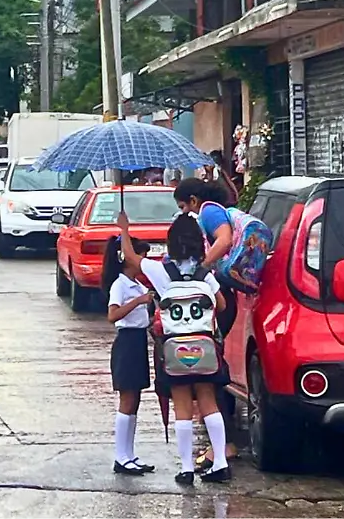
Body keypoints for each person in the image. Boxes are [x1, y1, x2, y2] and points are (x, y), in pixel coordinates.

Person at [118, 212, 231, 484]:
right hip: (204, 350)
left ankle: (186, 468)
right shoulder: (205, 274)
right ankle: (220, 463)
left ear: (171, 244)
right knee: (208, 402)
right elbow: (223, 305)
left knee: (182, 405)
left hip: (174, 352)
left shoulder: (161, 271)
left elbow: (132, 258)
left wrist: (124, 229)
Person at [172, 177, 240, 470]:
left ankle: (223, 447)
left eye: (183, 205)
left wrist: (201, 271)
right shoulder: (211, 210)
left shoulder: (210, 212)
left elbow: (224, 239)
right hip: (219, 294)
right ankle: (223, 443)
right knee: (211, 371)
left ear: (193, 200)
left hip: (218, 296)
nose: (184, 211)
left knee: (209, 372)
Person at [103, 235, 157, 476]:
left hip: (138, 341)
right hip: (126, 341)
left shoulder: (138, 283)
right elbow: (113, 315)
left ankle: (130, 454)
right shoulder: (120, 285)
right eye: (140, 255)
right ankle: (120, 456)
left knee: (135, 400)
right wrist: (139, 301)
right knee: (126, 400)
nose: (142, 260)